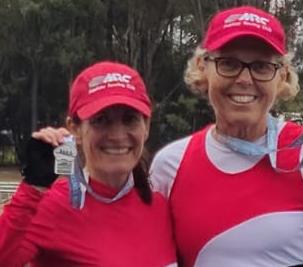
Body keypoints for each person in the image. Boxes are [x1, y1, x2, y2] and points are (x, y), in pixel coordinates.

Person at [150, 6, 303, 267]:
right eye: (229, 63)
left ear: (281, 75)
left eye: (261, 66)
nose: (244, 79)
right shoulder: (169, 164)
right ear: (204, 68)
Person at [0, 61, 177, 266]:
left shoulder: (161, 207)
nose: (118, 135)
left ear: (146, 126)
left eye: (130, 119)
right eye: (101, 120)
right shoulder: (53, 203)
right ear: (74, 129)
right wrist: (33, 187)